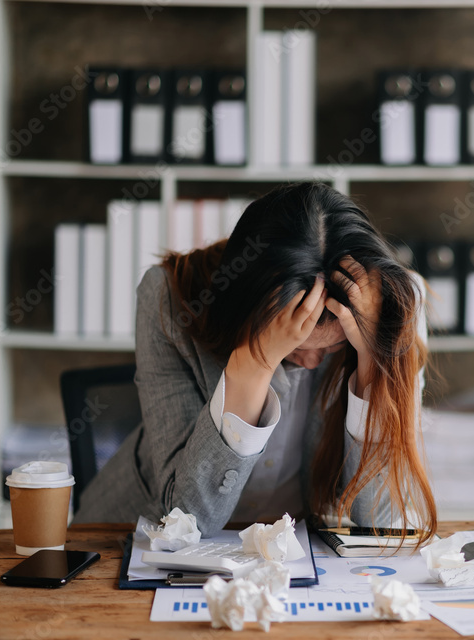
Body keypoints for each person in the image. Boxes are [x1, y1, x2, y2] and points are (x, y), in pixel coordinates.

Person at [73, 182, 436, 542]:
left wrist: (374, 357)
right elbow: (185, 521)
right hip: (124, 537)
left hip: (290, 550)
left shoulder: (392, 306)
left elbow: (384, 520)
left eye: (332, 349)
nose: (310, 363)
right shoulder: (166, 299)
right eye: (293, 348)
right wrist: (257, 362)